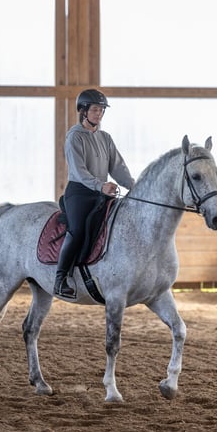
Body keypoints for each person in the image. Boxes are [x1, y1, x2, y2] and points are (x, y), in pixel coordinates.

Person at [54, 88, 136, 298]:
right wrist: (100, 185)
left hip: (102, 192)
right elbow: (79, 172)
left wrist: (134, 186)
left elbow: (118, 167)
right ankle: (61, 278)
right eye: (95, 110)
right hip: (80, 193)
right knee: (79, 230)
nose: (99, 114)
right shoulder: (74, 137)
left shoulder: (105, 138)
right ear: (83, 111)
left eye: (101, 110)